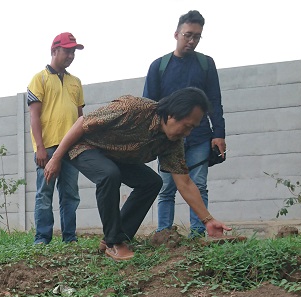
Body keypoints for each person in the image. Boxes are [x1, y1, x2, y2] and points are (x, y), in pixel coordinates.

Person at [43, 88, 230, 261]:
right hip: (85, 146)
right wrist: (55, 158)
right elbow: (82, 123)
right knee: (109, 175)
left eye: (192, 129)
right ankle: (114, 243)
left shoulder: (173, 142)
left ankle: (114, 238)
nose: (187, 133)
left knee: (152, 182)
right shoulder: (133, 109)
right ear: (172, 114)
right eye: (187, 126)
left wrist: (208, 220)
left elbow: (185, 183)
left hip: (115, 156)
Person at [143, 9, 226, 237]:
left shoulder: (206, 64)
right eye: (188, 35)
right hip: (168, 139)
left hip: (199, 136)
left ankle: (198, 233)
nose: (192, 40)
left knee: (198, 184)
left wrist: (219, 134)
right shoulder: (158, 66)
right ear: (176, 34)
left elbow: (214, 101)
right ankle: (164, 234)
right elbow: (149, 106)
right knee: (167, 187)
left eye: (197, 36)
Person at [27, 32, 85, 245]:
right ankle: (42, 238)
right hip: (48, 148)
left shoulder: (76, 82)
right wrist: (39, 148)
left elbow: (80, 118)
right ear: (54, 51)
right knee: (44, 194)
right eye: (67, 50)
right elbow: (34, 116)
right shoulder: (39, 79)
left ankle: (69, 237)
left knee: (71, 194)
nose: (70, 55)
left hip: (72, 148)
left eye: (73, 51)